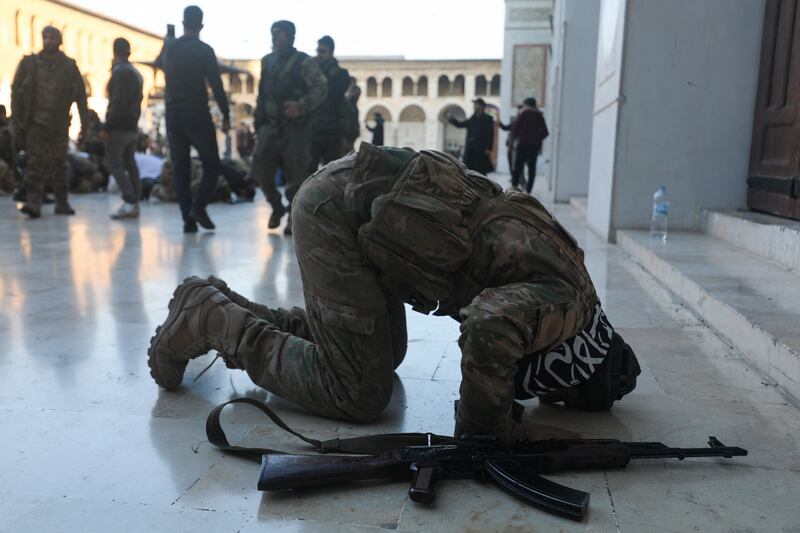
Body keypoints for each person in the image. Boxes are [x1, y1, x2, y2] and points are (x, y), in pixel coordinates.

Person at [147, 144, 641, 443]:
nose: (549, 399)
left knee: (383, 352)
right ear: (578, 369)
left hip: (365, 210)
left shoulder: (575, 280)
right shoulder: (567, 308)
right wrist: (488, 432)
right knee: (359, 392)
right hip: (340, 216)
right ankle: (211, 321)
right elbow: (491, 323)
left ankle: (226, 307)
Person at [251, 20, 327, 235]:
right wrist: (258, 122)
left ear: (290, 36)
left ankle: (294, 218)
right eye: (272, 33)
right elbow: (262, 94)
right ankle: (276, 206)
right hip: (270, 126)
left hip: (296, 128)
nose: (275, 37)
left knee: (296, 176)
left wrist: (301, 106)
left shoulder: (303, 62)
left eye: (279, 34)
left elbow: (320, 88)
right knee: (260, 170)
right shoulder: (267, 61)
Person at [163, 5, 230, 233]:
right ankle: (198, 206)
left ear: (183, 23)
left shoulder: (170, 49)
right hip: (196, 113)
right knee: (212, 164)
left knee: (181, 168)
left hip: (173, 114)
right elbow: (216, 85)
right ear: (201, 25)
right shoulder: (204, 50)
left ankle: (187, 220)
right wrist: (226, 114)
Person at [10, 25, 88, 218]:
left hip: (59, 123)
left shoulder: (69, 66)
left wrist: (84, 125)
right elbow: (16, 92)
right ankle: (33, 202)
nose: (48, 41)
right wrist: (17, 118)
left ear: (59, 41)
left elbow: (81, 97)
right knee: (34, 162)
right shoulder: (30, 64)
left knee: (60, 163)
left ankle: (62, 202)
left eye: (52, 37)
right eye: (45, 37)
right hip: (35, 122)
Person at [101, 38, 144, 220]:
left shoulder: (120, 72)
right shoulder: (135, 72)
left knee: (113, 163)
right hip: (132, 125)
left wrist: (107, 126)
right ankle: (135, 201)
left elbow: (117, 101)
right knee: (129, 161)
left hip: (119, 126)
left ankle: (129, 200)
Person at [309, 35, 351, 173]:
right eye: (318, 51)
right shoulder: (310, 71)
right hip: (312, 129)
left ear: (331, 52)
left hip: (332, 130)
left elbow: (332, 94)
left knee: (331, 171)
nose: (319, 55)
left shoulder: (341, 74)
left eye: (323, 51)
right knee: (308, 170)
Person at [511, 97, 549, 194]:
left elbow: (515, 129)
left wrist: (518, 137)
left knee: (518, 168)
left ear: (527, 105)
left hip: (522, 145)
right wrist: (537, 138)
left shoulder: (523, 114)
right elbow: (545, 132)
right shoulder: (539, 115)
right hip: (534, 147)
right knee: (531, 169)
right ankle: (529, 190)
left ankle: (513, 188)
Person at [447, 98, 494, 175]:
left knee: (481, 170)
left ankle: (481, 186)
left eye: (476, 104)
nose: (474, 106)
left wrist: (489, 148)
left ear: (481, 106)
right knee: (470, 169)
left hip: (481, 149)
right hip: (470, 148)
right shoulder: (472, 118)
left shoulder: (488, 119)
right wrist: (452, 119)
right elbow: (460, 125)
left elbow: (490, 134)